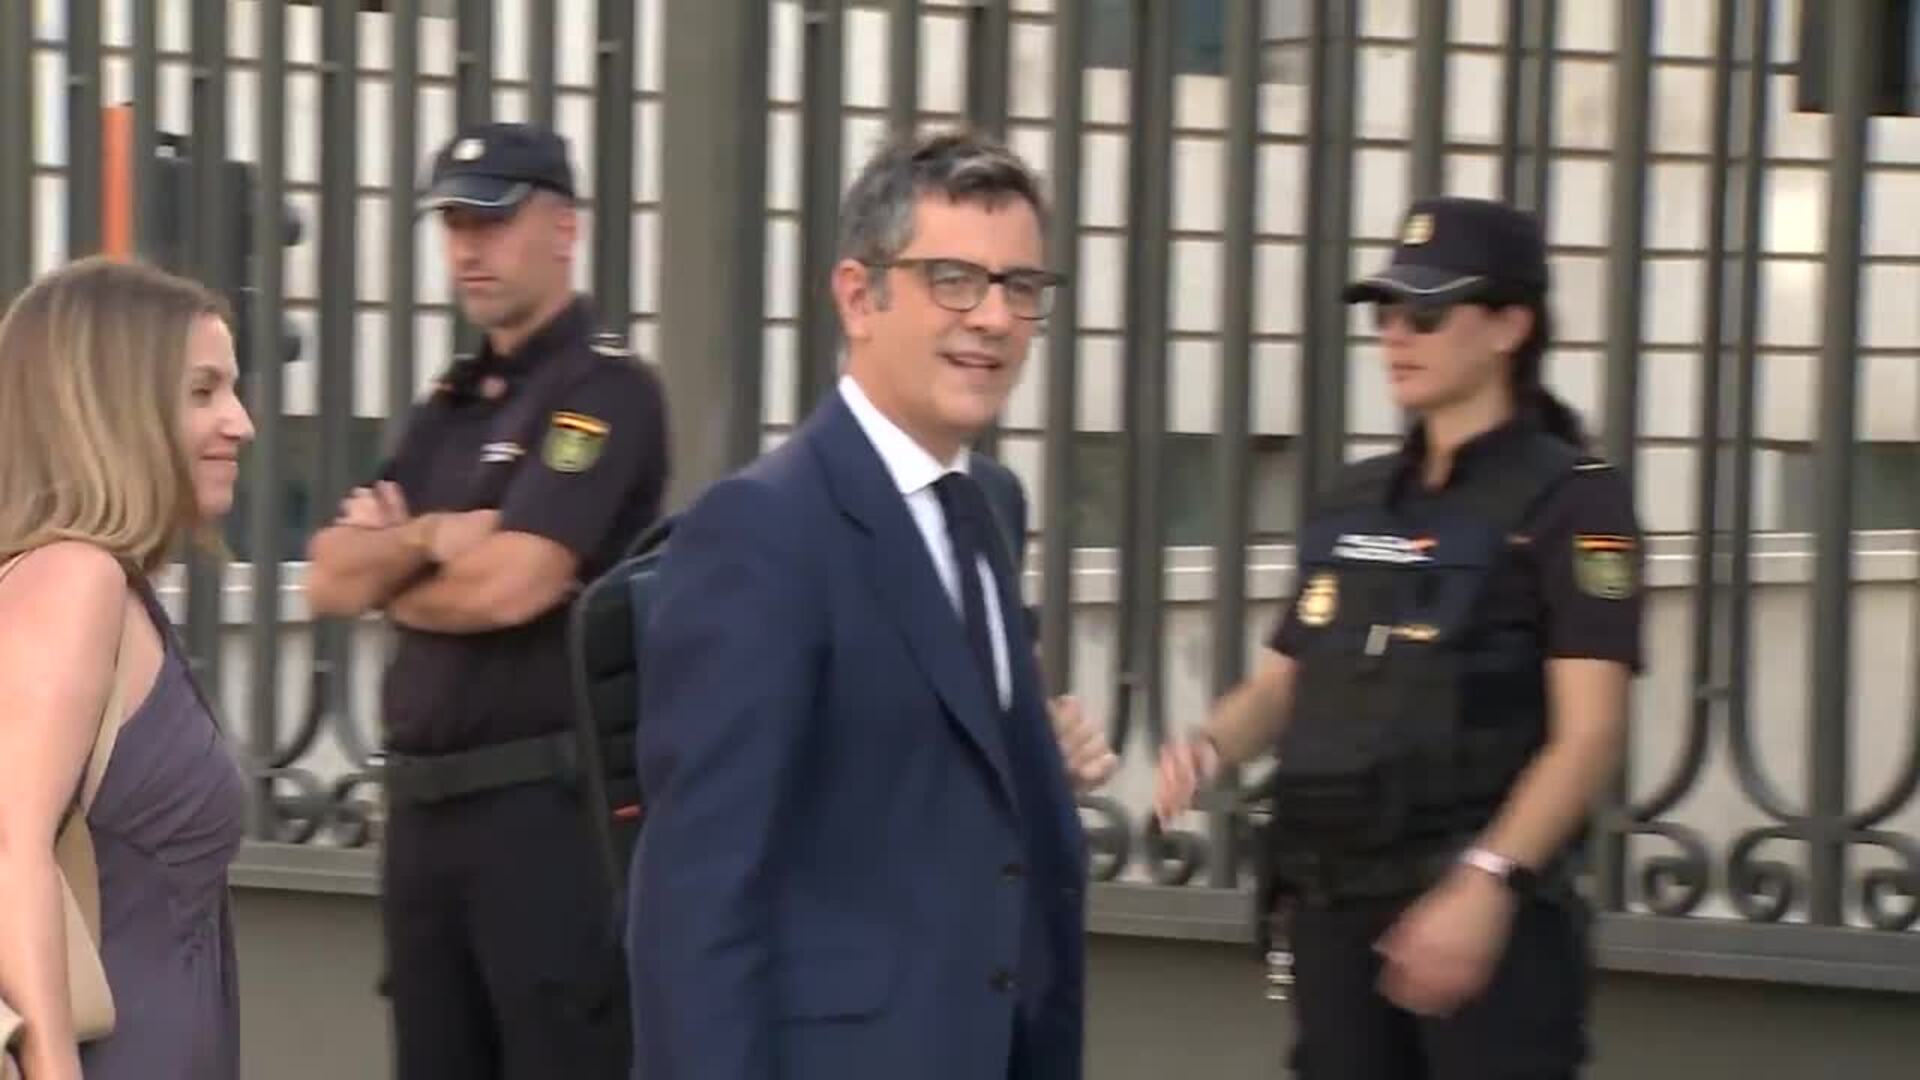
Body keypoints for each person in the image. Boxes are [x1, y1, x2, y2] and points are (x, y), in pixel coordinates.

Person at [627, 129, 1116, 1080]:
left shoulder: (991, 506)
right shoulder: (759, 530)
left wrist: (1029, 755)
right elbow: (697, 895)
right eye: (953, 280)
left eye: (1020, 286)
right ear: (858, 296)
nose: (993, 318)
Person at [1155, 196, 1642, 1079]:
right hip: (1336, 909)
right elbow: (1285, 679)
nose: (1395, 337)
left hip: (1483, 926)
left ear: (1509, 326)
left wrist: (1488, 880)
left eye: (1426, 314)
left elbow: (1591, 733)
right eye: (1384, 313)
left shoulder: (1575, 499)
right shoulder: (1357, 498)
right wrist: (1210, 747)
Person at [302, 122, 667, 1080]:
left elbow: (516, 584)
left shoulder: (605, 393)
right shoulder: (449, 405)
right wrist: (427, 541)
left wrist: (391, 580)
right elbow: (327, 576)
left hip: (539, 817)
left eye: (493, 221)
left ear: (565, 228)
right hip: (424, 821)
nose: (468, 246)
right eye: (455, 222)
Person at [0, 256, 255, 1080]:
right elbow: (8, 849)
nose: (241, 423)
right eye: (203, 392)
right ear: (111, 408)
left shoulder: (117, 589)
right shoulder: (74, 580)